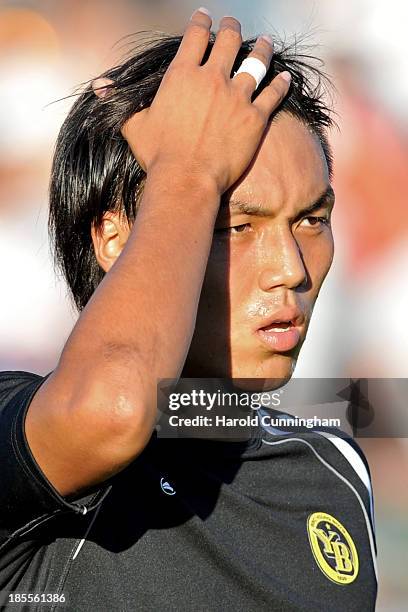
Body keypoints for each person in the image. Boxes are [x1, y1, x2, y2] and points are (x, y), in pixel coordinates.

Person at [0, 8, 377, 611]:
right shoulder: (21, 431)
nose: (291, 270)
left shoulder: (329, 471)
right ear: (115, 239)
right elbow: (111, 410)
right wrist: (190, 171)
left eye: (312, 221)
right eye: (235, 226)